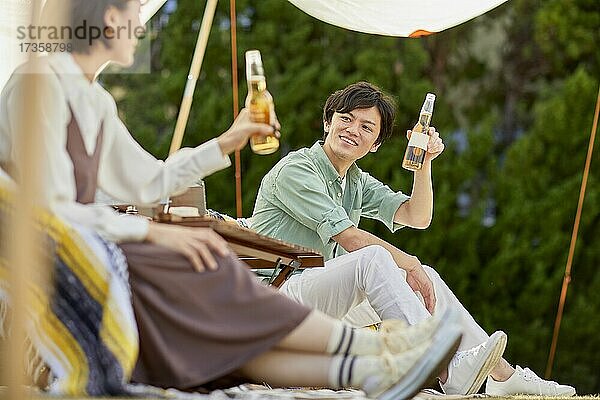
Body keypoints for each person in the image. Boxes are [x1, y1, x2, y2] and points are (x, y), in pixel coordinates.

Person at [0, 2, 462, 398]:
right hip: (34, 243)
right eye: (133, 14)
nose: (140, 27)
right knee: (208, 270)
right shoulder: (36, 83)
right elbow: (52, 206)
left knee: (210, 270)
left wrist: (228, 141)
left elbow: (150, 181)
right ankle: (371, 354)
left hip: (81, 237)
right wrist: (151, 231)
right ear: (104, 17)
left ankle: (372, 366)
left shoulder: (92, 99)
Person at [251, 82, 577, 396]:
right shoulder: (297, 169)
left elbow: (416, 216)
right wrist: (408, 262)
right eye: (346, 119)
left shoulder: (353, 181)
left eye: (367, 127)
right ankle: (442, 366)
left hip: (314, 302)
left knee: (427, 280)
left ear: (376, 143)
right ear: (327, 122)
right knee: (375, 260)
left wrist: (425, 166)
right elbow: (348, 237)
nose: (353, 130)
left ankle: (503, 376)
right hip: (274, 302)